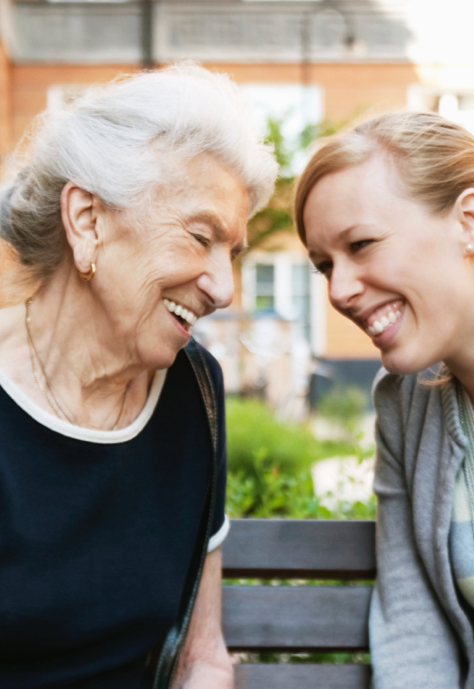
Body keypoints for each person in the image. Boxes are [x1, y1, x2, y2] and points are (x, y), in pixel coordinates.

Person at [0, 63, 277, 688]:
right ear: (88, 221)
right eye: (200, 236)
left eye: (231, 253)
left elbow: (202, 654)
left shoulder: (193, 388)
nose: (224, 288)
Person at [294, 111, 474, 688]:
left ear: (469, 222)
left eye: (362, 244)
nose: (339, 291)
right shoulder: (407, 405)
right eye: (324, 267)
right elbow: (410, 619)